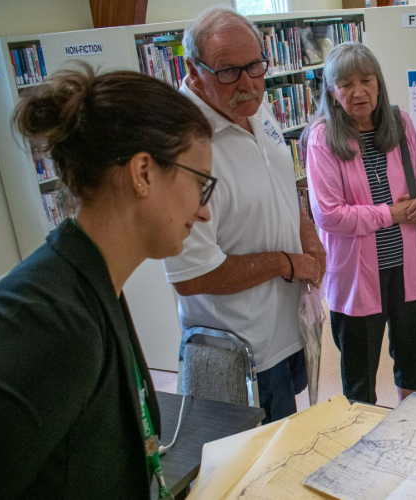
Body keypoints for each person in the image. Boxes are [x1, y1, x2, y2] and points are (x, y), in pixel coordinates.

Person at [0, 65, 214, 498]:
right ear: (143, 172)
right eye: (200, 184)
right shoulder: (51, 323)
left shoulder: (90, 283)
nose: (204, 212)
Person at [162, 7, 327, 424]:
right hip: (242, 353)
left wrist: (307, 235)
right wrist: (285, 263)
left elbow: (281, 190)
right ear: (193, 70)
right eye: (228, 71)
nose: (249, 83)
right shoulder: (180, 146)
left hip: (287, 329)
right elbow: (192, 276)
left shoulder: (255, 103)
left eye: (255, 66)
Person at [303, 43, 416, 405]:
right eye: (345, 84)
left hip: (407, 267)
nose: (358, 91)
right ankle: (364, 450)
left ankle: (412, 433)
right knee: (359, 379)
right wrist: (389, 214)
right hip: (356, 277)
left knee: (413, 364)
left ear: (379, 84)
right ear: (332, 93)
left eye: (366, 80)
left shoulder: (400, 122)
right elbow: (329, 214)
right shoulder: (322, 139)